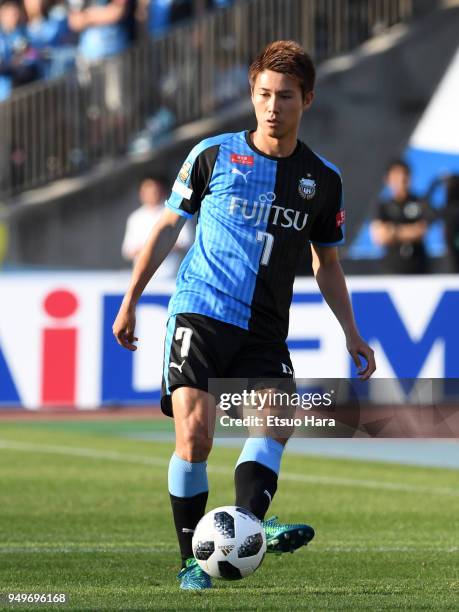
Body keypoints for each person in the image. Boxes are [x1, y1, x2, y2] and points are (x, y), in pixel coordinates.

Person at [113, 40, 376, 590]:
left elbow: (326, 261)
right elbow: (166, 227)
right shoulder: (212, 154)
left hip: (264, 327)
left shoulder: (321, 180)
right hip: (202, 312)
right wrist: (132, 297)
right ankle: (192, 559)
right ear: (252, 95)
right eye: (263, 95)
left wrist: (350, 329)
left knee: (276, 419)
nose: (272, 107)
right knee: (196, 438)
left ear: (307, 98)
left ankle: (251, 524)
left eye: (284, 96)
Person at [122, 176, 193, 278]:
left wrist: (159, 247)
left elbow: (185, 241)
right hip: (141, 278)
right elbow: (127, 250)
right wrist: (147, 250)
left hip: (170, 275)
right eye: (146, 191)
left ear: (162, 191)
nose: (150, 195)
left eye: (153, 191)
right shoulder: (135, 217)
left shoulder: (174, 213)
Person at [370, 159, 431, 274]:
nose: (401, 180)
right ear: (387, 179)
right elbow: (380, 236)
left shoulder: (420, 202)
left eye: (404, 175)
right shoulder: (383, 206)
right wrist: (409, 230)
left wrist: (393, 230)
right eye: (396, 176)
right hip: (391, 269)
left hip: (419, 268)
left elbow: (422, 230)